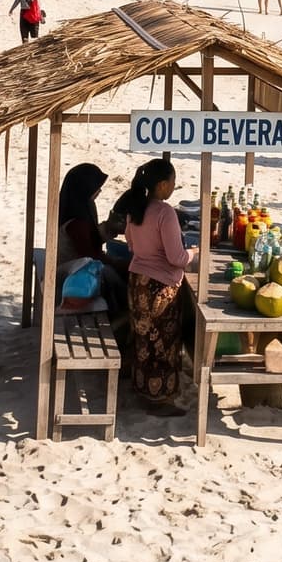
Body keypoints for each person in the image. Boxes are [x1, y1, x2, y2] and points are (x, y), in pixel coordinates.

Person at [122, 157, 193, 412]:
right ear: (162, 185)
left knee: (143, 340)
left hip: (137, 282)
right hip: (160, 287)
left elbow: (131, 245)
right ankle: (160, 399)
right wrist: (193, 254)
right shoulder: (165, 212)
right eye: (173, 181)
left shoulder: (135, 209)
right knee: (164, 343)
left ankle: (142, 389)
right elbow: (177, 258)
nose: (174, 186)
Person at [56, 163, 109, 264]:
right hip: (71, 273)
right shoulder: (76, 223)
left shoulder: (80, 206)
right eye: (96, 187)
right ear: (86, 188)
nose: (99, 191)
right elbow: (90, 256)